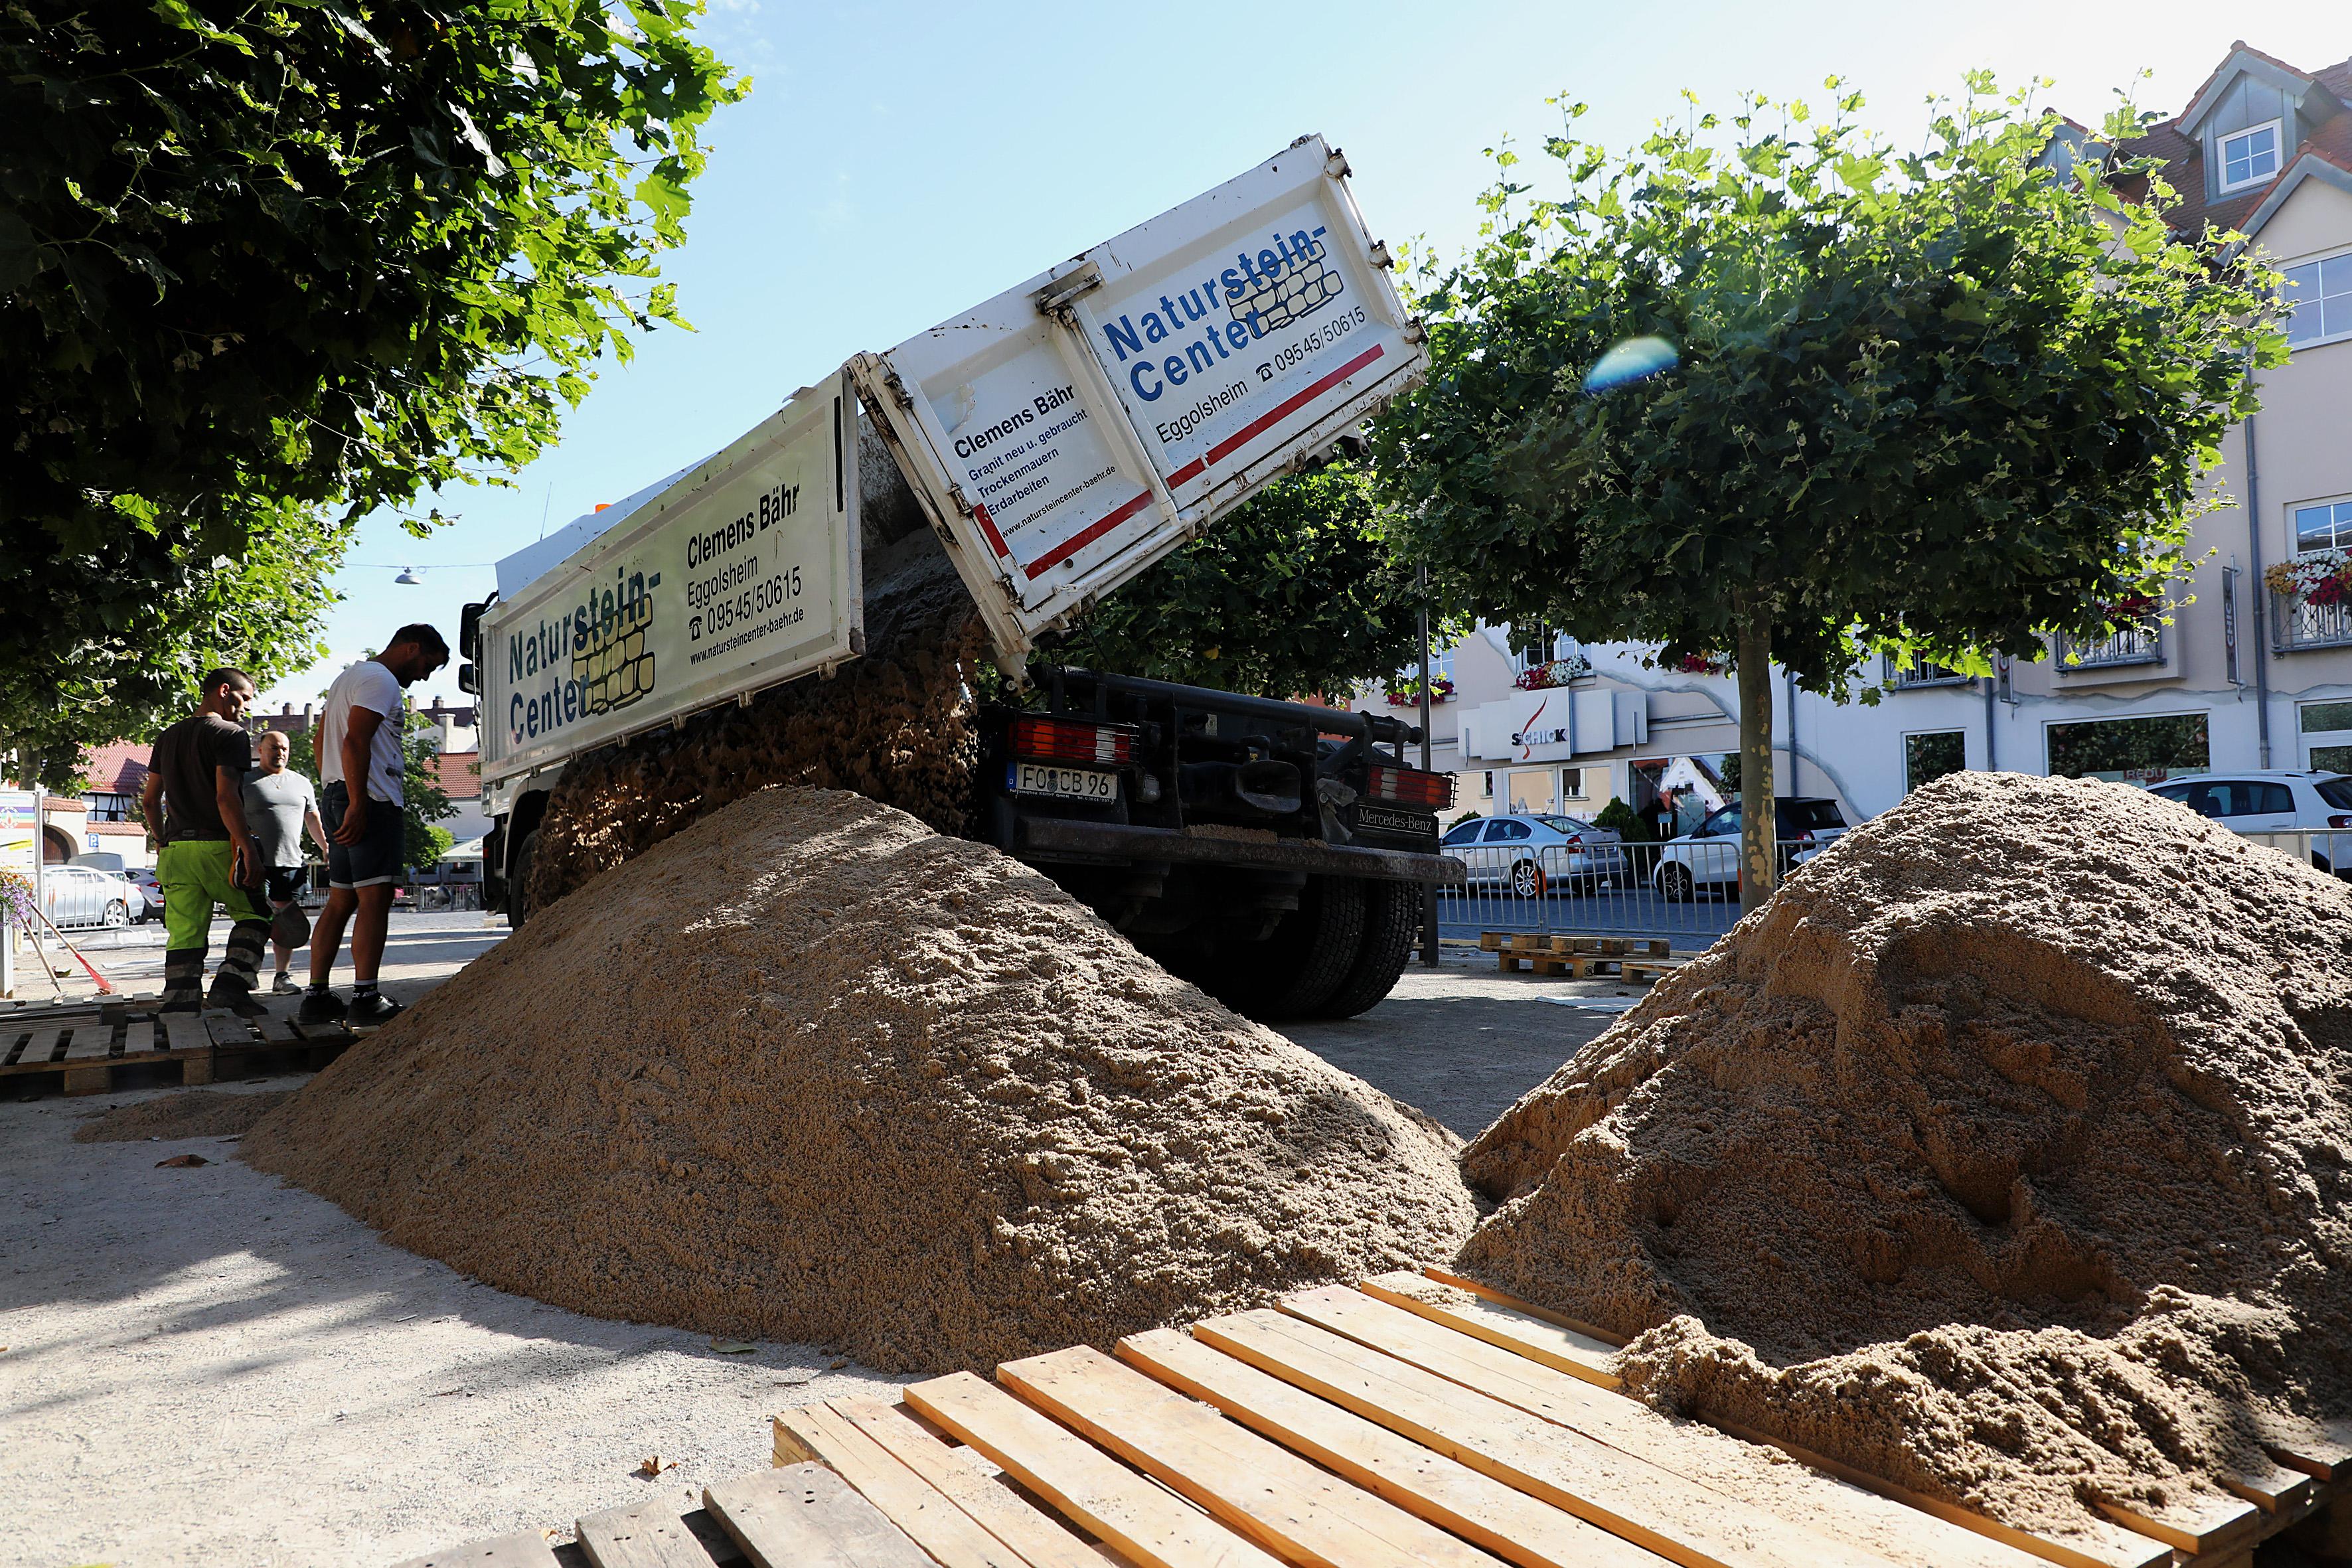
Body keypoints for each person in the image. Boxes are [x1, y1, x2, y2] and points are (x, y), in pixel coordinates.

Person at [301, 625, 450, 1028]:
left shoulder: (348, 676)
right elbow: (355, 741)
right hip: (371, 799)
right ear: (412, 648)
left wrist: (334, 789)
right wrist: (359, 802)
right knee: (375, 898)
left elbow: (321, 741)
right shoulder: (382, 681)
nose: (424, 676)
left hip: (336, 793)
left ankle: (316, 997)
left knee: (341, 899)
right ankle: (365, 997)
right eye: (427, 665)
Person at [139, 668, 273, 1014]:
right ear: (225, 691)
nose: (245, 709)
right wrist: (247, 849)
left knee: (184, 932)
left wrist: (162, 841)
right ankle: (231, 985)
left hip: (175, 853)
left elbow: (150, 801)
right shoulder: (230, 734)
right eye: (244, 699)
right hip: (217, 847)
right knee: (255, 915)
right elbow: (226, 798)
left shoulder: (167, 737)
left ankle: (180, 1007)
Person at [244, 729, 328, 994]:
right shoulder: (244, 781)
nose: (280, 753)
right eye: (274, 748)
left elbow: (312, 819)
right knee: (253, 920)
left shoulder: (302, 783)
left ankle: (282, 976)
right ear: (260, 750)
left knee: (286, 922)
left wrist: (326, 847)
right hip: (254, 861)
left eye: (284, 749)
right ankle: (245, 974)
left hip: (290, 861)